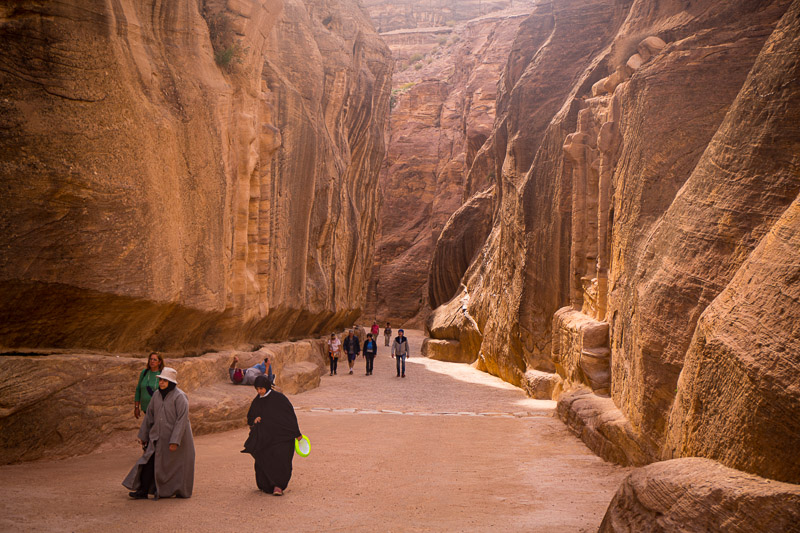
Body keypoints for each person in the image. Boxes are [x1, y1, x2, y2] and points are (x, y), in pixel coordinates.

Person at [123, 367, 195, 500]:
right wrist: (144, 436)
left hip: (176, 440)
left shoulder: (180, 397)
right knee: (148, 462)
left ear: (171, 382)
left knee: (174, 467)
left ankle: (171, 490)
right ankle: (143, 490)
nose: (161, 382)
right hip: (157, 437)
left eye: (164, 380)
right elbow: (149, 416)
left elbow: (182, 421)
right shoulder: (156, 395)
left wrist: (174, 441)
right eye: (160, 380)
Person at [242, 375, 303, 496]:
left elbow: (289, 416)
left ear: (266, 386)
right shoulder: (257, 400)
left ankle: (278, 486)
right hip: (265, 438)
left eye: (261, 389)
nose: (259, 391)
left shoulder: (279, 399)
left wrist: (296, 433)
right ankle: (265, 485)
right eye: (257, 389)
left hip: (281, 438)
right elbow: (250, 417)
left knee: (281, 460)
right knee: (264, 459)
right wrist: (255, 420)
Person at [134, 352, 163, 419]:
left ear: (159, 362)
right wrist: (136, 407)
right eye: (150, 359)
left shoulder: (162, 373)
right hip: (145, 408)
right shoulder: (144, 372)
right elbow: (138, 390)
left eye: (155, 360)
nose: (152, 361)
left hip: (158, 409)